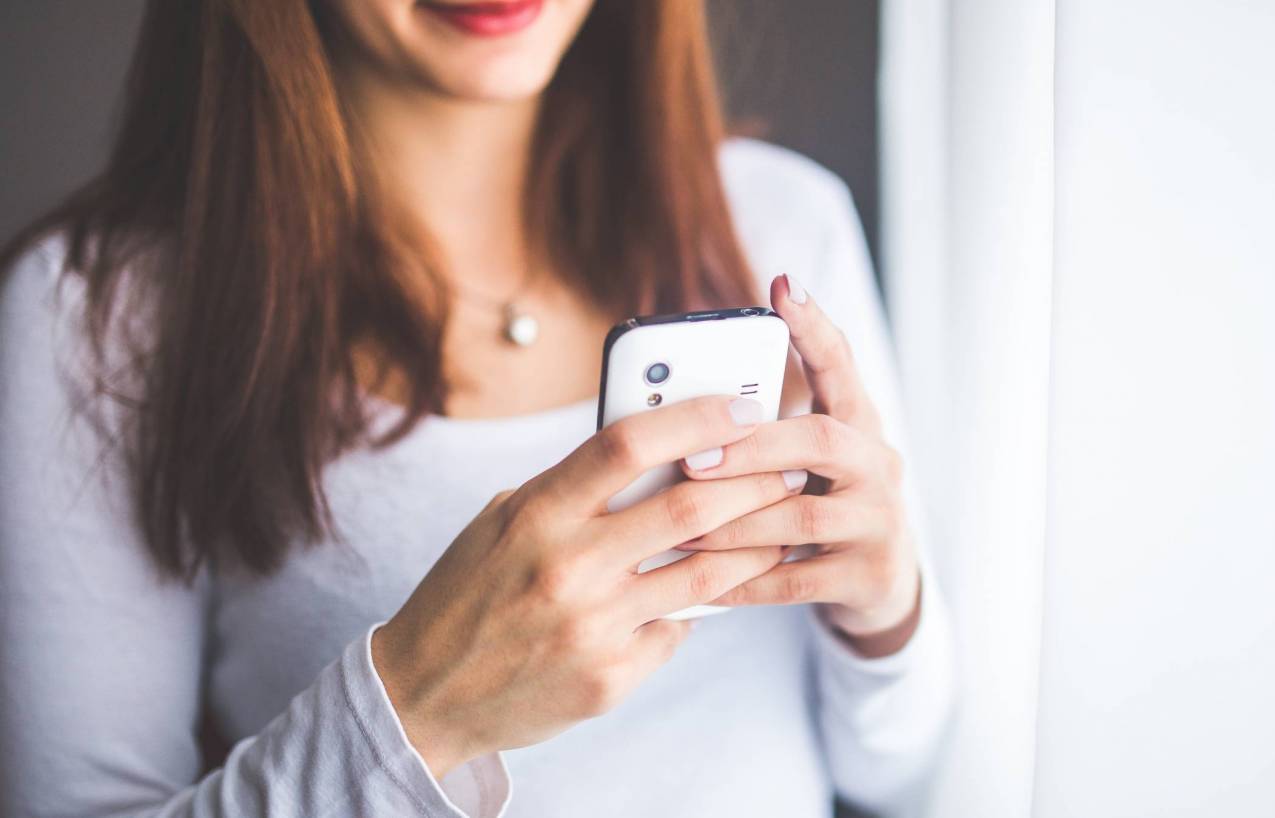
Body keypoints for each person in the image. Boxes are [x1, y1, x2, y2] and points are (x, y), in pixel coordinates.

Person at [0, 1, 953, 815]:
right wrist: (421, 709)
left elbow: (902, 769)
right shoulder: (96, 316)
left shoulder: (785, 227)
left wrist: (886, 614)